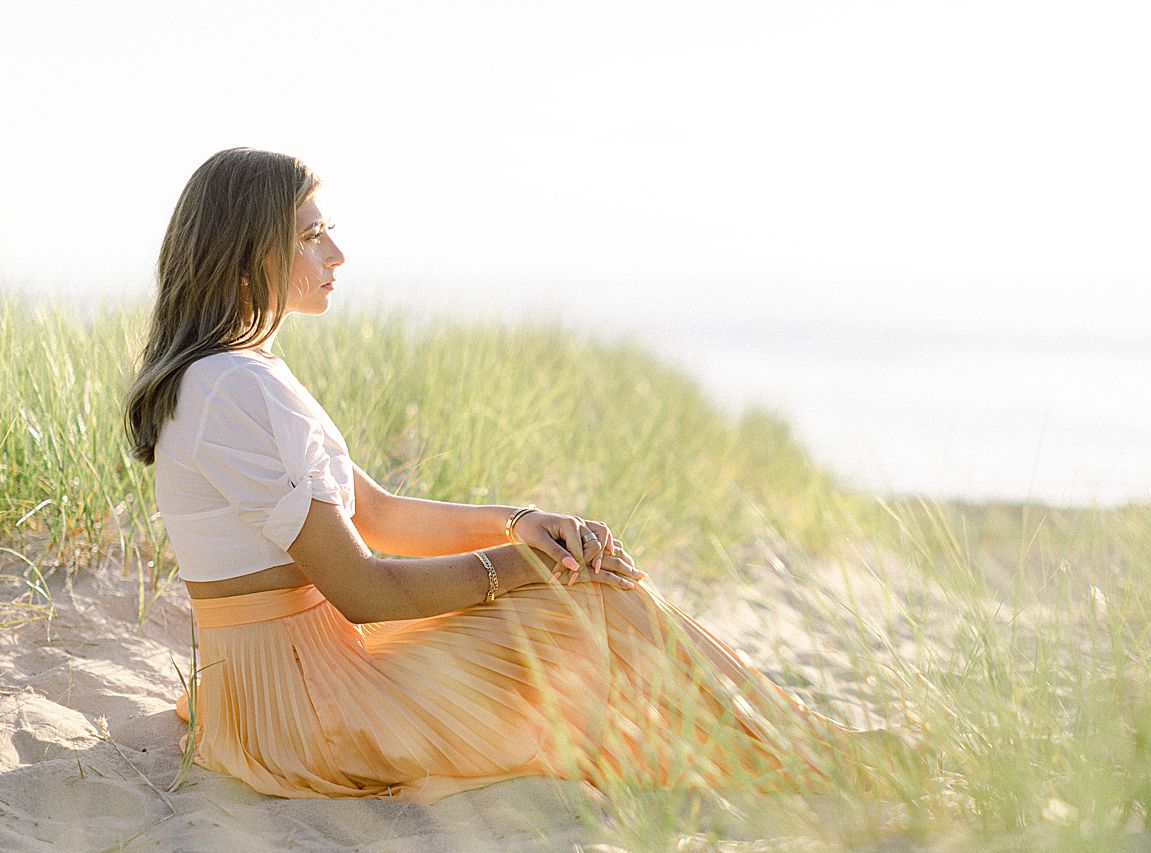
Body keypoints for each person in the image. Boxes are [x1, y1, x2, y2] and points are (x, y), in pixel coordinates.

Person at [122, 147, 916, 805]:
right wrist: (529, 568)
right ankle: (807, 756)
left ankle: (800, 746)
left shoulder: (243, 374)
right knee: (588, 604)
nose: (336, 254)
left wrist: (520, 523)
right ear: (244, 249)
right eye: (311, 236)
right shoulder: (232, 386)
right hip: (305, 709)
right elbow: (363, 589)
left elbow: (377, 510)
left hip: (292, 685)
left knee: (591, 595)